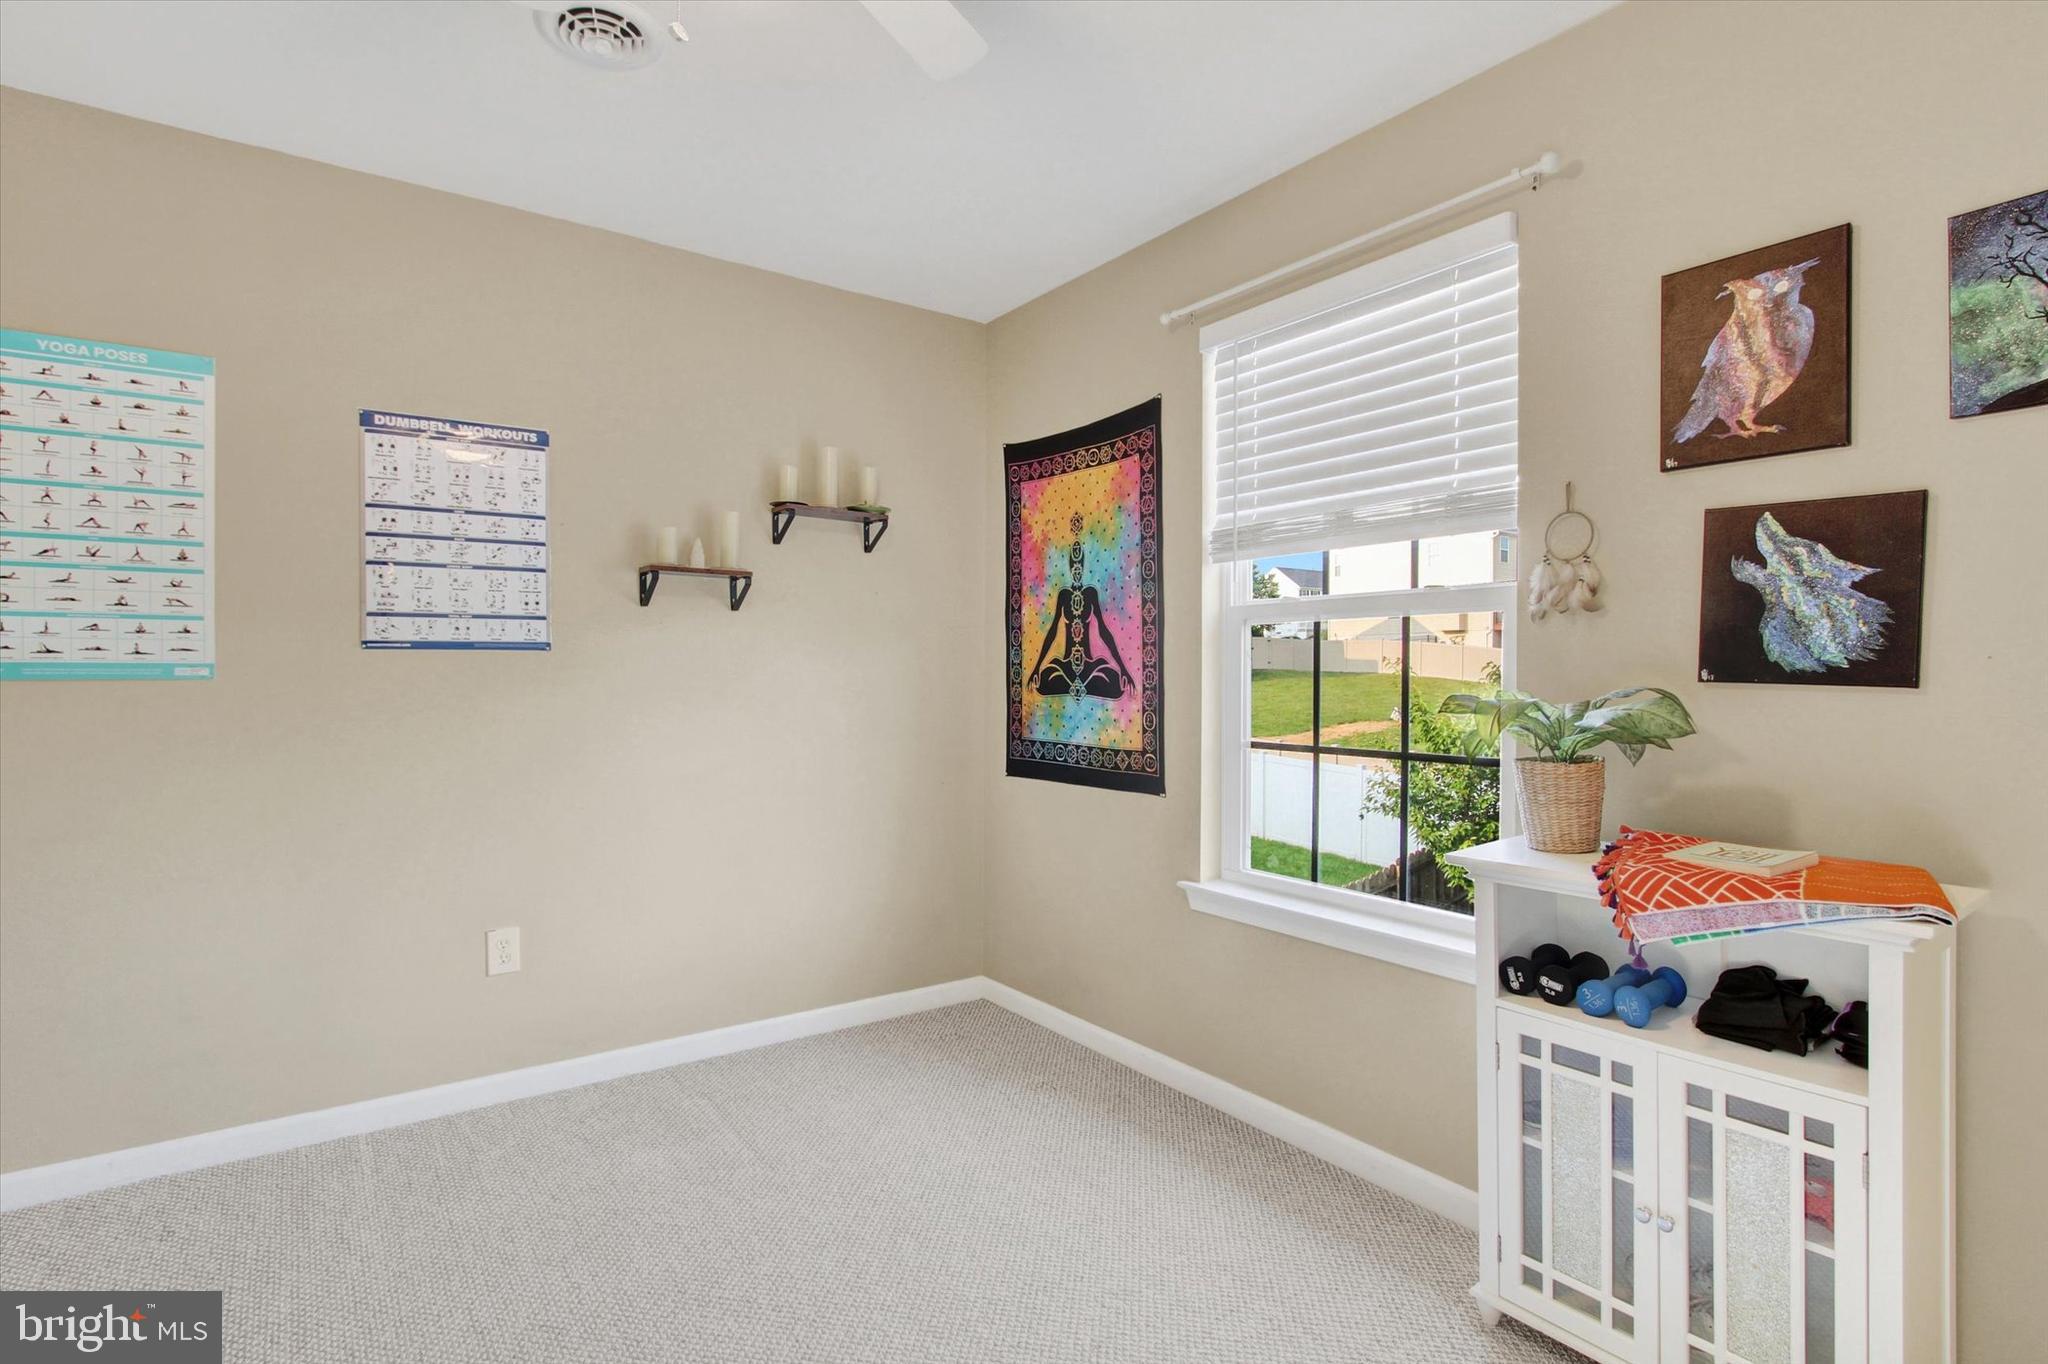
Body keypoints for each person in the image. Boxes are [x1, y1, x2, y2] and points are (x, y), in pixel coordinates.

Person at [1028, 514, 1135, 700]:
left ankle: (1076, 686)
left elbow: (1103, 631)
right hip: (1066, 665)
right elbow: (1052, 631)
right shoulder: (1064, 595)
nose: (1076, 567)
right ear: (1070, 566)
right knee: (1044, 680)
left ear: (1083, 565)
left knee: (1115, 683)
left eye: (1079, 563)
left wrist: (1123, 668)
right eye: (1073, 564)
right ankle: (1077, 686)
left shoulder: (1090, 593)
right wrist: (1036, 668)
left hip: (1088, 665)